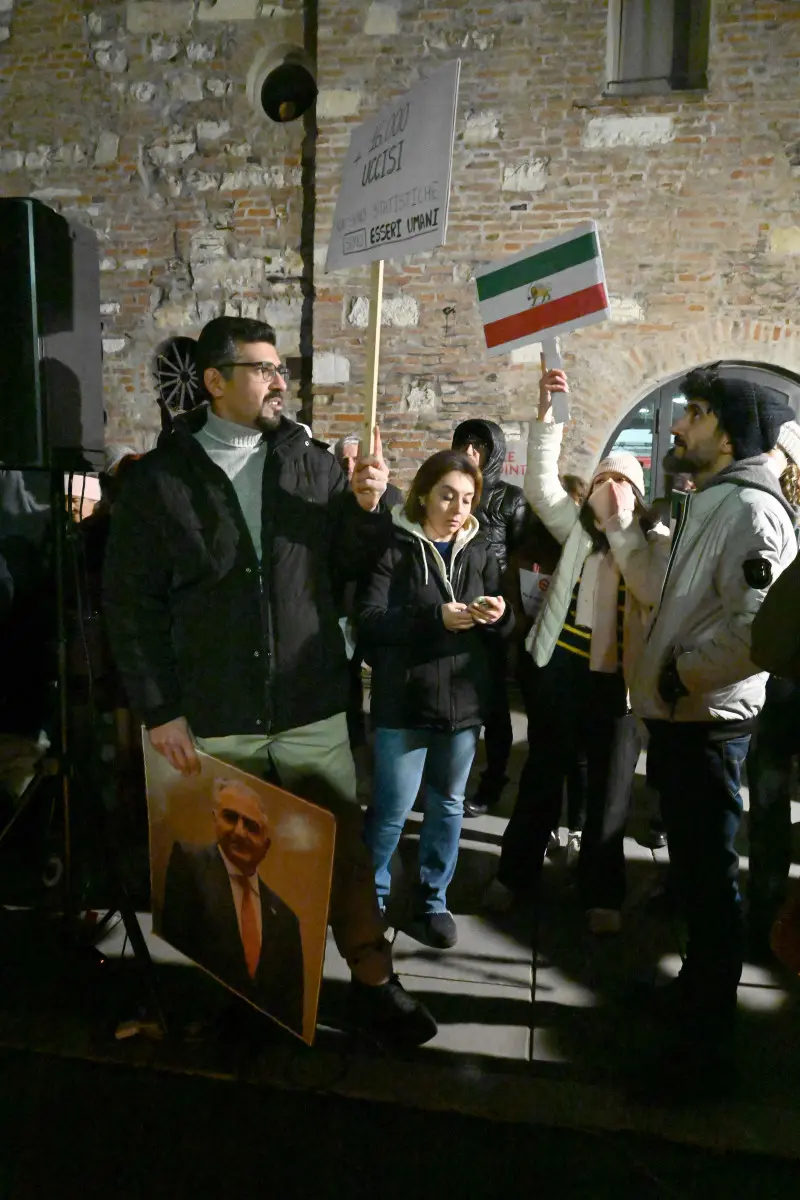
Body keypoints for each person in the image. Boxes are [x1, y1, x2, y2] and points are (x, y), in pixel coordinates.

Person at [103, 315, 437, 1049]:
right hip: (217, 705)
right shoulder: (162, 480)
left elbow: (349, 566)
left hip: (308, 699)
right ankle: (244, 996)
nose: (279, 381)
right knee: (229, 863)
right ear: (214, 381)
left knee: (341, 850)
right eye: (262, 369)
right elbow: (131, 605)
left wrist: (366, 509)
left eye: (280, 367)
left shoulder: (309, 464)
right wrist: (158, 708)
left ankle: (373, 981)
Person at [610, 369, 797, 1101]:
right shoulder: (715, 499)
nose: (680, 424)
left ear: (728, 433)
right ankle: (693, 996)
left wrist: (677, 675)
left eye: (694, 412)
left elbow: (756, 635)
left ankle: (707, 1053)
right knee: (694, 876)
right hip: (685, 719)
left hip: (709, 724)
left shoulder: (752, 511)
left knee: (713, 886)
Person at [485, 369, 666, 934]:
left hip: (618, 683)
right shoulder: (577, 534)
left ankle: (601, 893)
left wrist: (622, 525)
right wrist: (547, 419)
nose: (609, 491)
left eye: (622, 484)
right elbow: (540, 486)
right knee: (543, 774)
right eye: (603, 481)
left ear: (637, 496)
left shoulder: (649, 543)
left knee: (611, 791)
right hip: (560, 668)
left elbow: (650, 587)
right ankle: (515, 873)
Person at [357, 450, 513, 948]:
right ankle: (371, 897)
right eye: (447, 496)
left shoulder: (479, 549)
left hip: (462, 706)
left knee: (448, 806)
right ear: (424, 494)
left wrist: (498, 614)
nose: (457, 508)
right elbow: (369, 621)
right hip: (404, 703)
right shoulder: (395, 547)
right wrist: (433, 619)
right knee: (391, 809)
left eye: (467, 499)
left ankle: (432, 900)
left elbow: (505, 620)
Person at [161, 777, 305, 1034]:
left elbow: (292, 1009)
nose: (239, 832)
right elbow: (176, 959)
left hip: (265, 1042)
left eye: (251, 826)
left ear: (266, 845)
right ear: (215, 819)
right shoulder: (189, 866)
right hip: (201, 1034)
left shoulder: (286, 918)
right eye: (230, 817)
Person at [451, 419, 533, 815]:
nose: (470, 452)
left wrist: (511, 617)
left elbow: (520, 559)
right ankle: (448, 780)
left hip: (493, 614)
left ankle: (493, 780)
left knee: (495, 707)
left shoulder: (511, 499)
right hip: (454, 607)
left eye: (479, 445)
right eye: (464, 444)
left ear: (493, 451)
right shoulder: (450, 489)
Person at [745, 419, 800, 958]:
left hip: (783, 683)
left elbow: (769, 634)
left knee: (768, 801)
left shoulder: (773, 511)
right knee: (767, 797)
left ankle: (766, 911)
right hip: (783, 685)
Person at [333, 434, 403, 751]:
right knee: (346, 676)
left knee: (382, 673)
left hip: (379, 601)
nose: (351, 466)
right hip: (342, 603)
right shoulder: (334, 499)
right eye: (345, 460)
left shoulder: (394, 497)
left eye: (356, 458)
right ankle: (353, 737)